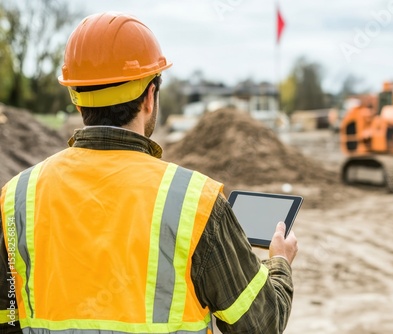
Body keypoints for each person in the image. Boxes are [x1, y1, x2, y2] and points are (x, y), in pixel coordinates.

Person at [0, 12, 297, 334]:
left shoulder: (16, 196)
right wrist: (279, 262)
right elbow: (261, 324)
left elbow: (9, 317)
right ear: (150, 97)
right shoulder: (195, 201)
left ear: (76, 99)